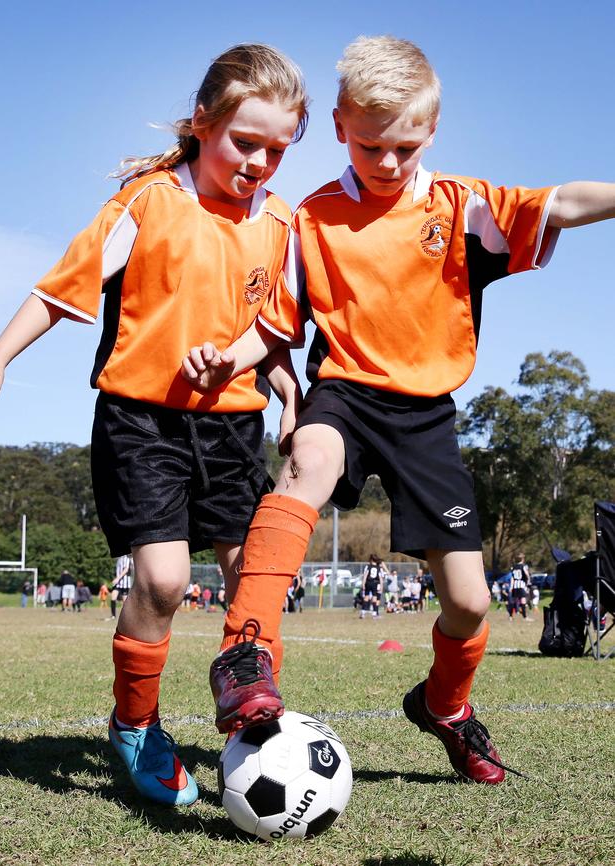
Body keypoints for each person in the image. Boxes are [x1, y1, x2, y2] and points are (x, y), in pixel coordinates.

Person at [186, 34, 615, 785]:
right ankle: (246, 655)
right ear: (343, 124)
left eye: (406, 148)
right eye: (372, 146)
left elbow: (565, 202)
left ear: (433, 132)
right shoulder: (311, 220)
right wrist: (235, 356)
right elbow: (278, 324)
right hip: (344, 392)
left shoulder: (463, 208)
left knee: (471, 604)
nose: (387, 163)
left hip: (425, 415)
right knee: (308, 461)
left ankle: (445, 706)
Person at [0, 43, 308, 807]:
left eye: (276, 150)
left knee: (254, 580)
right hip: (141, 422)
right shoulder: (150, 200)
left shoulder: (281, 223)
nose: (258, 161)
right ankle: (135, 726)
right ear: (201, 123)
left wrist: (289, 394)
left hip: (231, 427)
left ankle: (252, 718)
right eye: (244, 142)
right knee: (161, 579)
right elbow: (63, 289)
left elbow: (277, 330)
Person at [108, 554, 133, 621]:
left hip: (125, 583)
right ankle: (113, 616)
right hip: (118, 583)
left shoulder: (126, 557)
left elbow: (126, 569)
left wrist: (117, 578)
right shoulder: (119, 558)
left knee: (125, 602)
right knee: (113, 597)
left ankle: (127, 617)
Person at [360, 554, 385, 619]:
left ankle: (363, 613)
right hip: (375, 583)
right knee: (374, 598)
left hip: (368, 583)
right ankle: (374, 614)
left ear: (371, 559)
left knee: (366, 597)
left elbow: (365, 575)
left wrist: (363, 584)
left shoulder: (368, 566)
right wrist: (381, 587)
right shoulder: (378, 568)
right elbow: (380, 578)